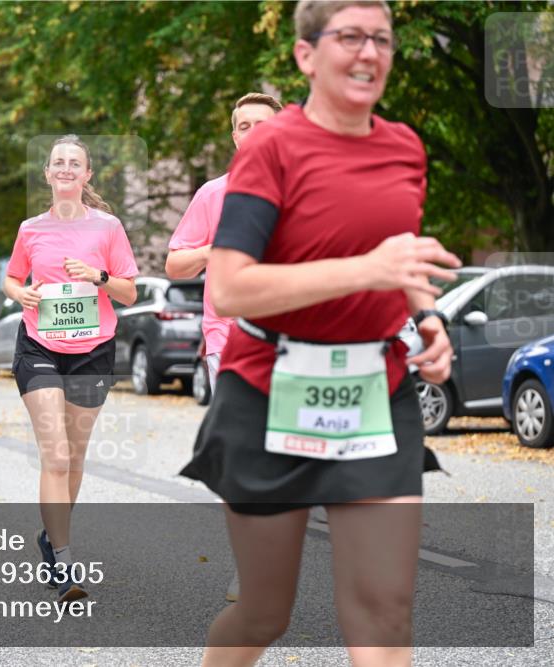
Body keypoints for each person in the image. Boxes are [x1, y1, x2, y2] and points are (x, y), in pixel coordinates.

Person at [181, 2, 462, 664]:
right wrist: (367, 269)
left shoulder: (405, 147)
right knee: (262, 613)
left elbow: (399, 256)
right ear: (307, 55)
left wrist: (427, 318)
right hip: (269, 386)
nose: (369, 52)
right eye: (350, 37)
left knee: (386, 613)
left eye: (382, 39)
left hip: (374, 390)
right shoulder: (270, 149)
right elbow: (229, 286)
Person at [4, 135, 138, 604]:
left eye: (74, 162)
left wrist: (97, 277)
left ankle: (49, 535)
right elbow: (11, 277)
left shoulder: (107, 228)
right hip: (39, 345)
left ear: (86, 176)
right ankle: (62, 558)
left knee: (75, 457)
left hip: (93, 350)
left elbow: (129, 293)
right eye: (57, 161)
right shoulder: (30, 229)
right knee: (56, 455)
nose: (65, 168)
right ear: (47, 173)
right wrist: (19, 294)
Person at [167, 92, 282, 605]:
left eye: (262, 123)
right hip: (229, 338)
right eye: (242, 125)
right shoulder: (213, 195)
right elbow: (175, 265)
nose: (251, 132)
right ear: (233, 135)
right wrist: (219, 246)